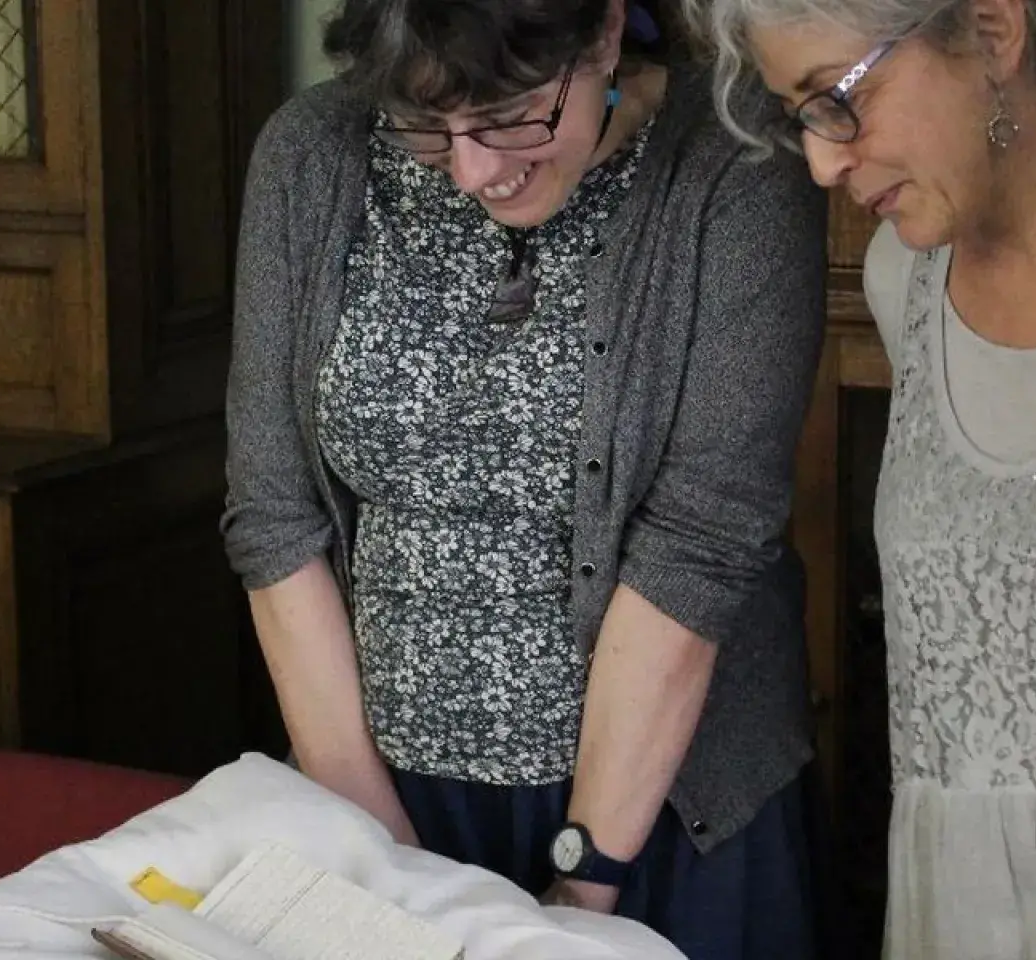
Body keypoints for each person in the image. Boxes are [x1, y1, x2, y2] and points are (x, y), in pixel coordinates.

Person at [220, 0, 828, 955]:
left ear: (604, 33)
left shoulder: (734, 156)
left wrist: (583, 885)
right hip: (371, 787)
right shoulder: (312, 154)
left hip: (663, 806)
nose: (473, 171)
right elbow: (272, 517)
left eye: (509, 116)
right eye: (424, 125)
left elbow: (699, 547)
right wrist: (381, 855)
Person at [687, 0, 1036, 955]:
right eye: (800, 118)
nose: (822, 163)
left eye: (837, 99)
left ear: (992, 33)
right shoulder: (900, 281)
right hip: (949, 915)